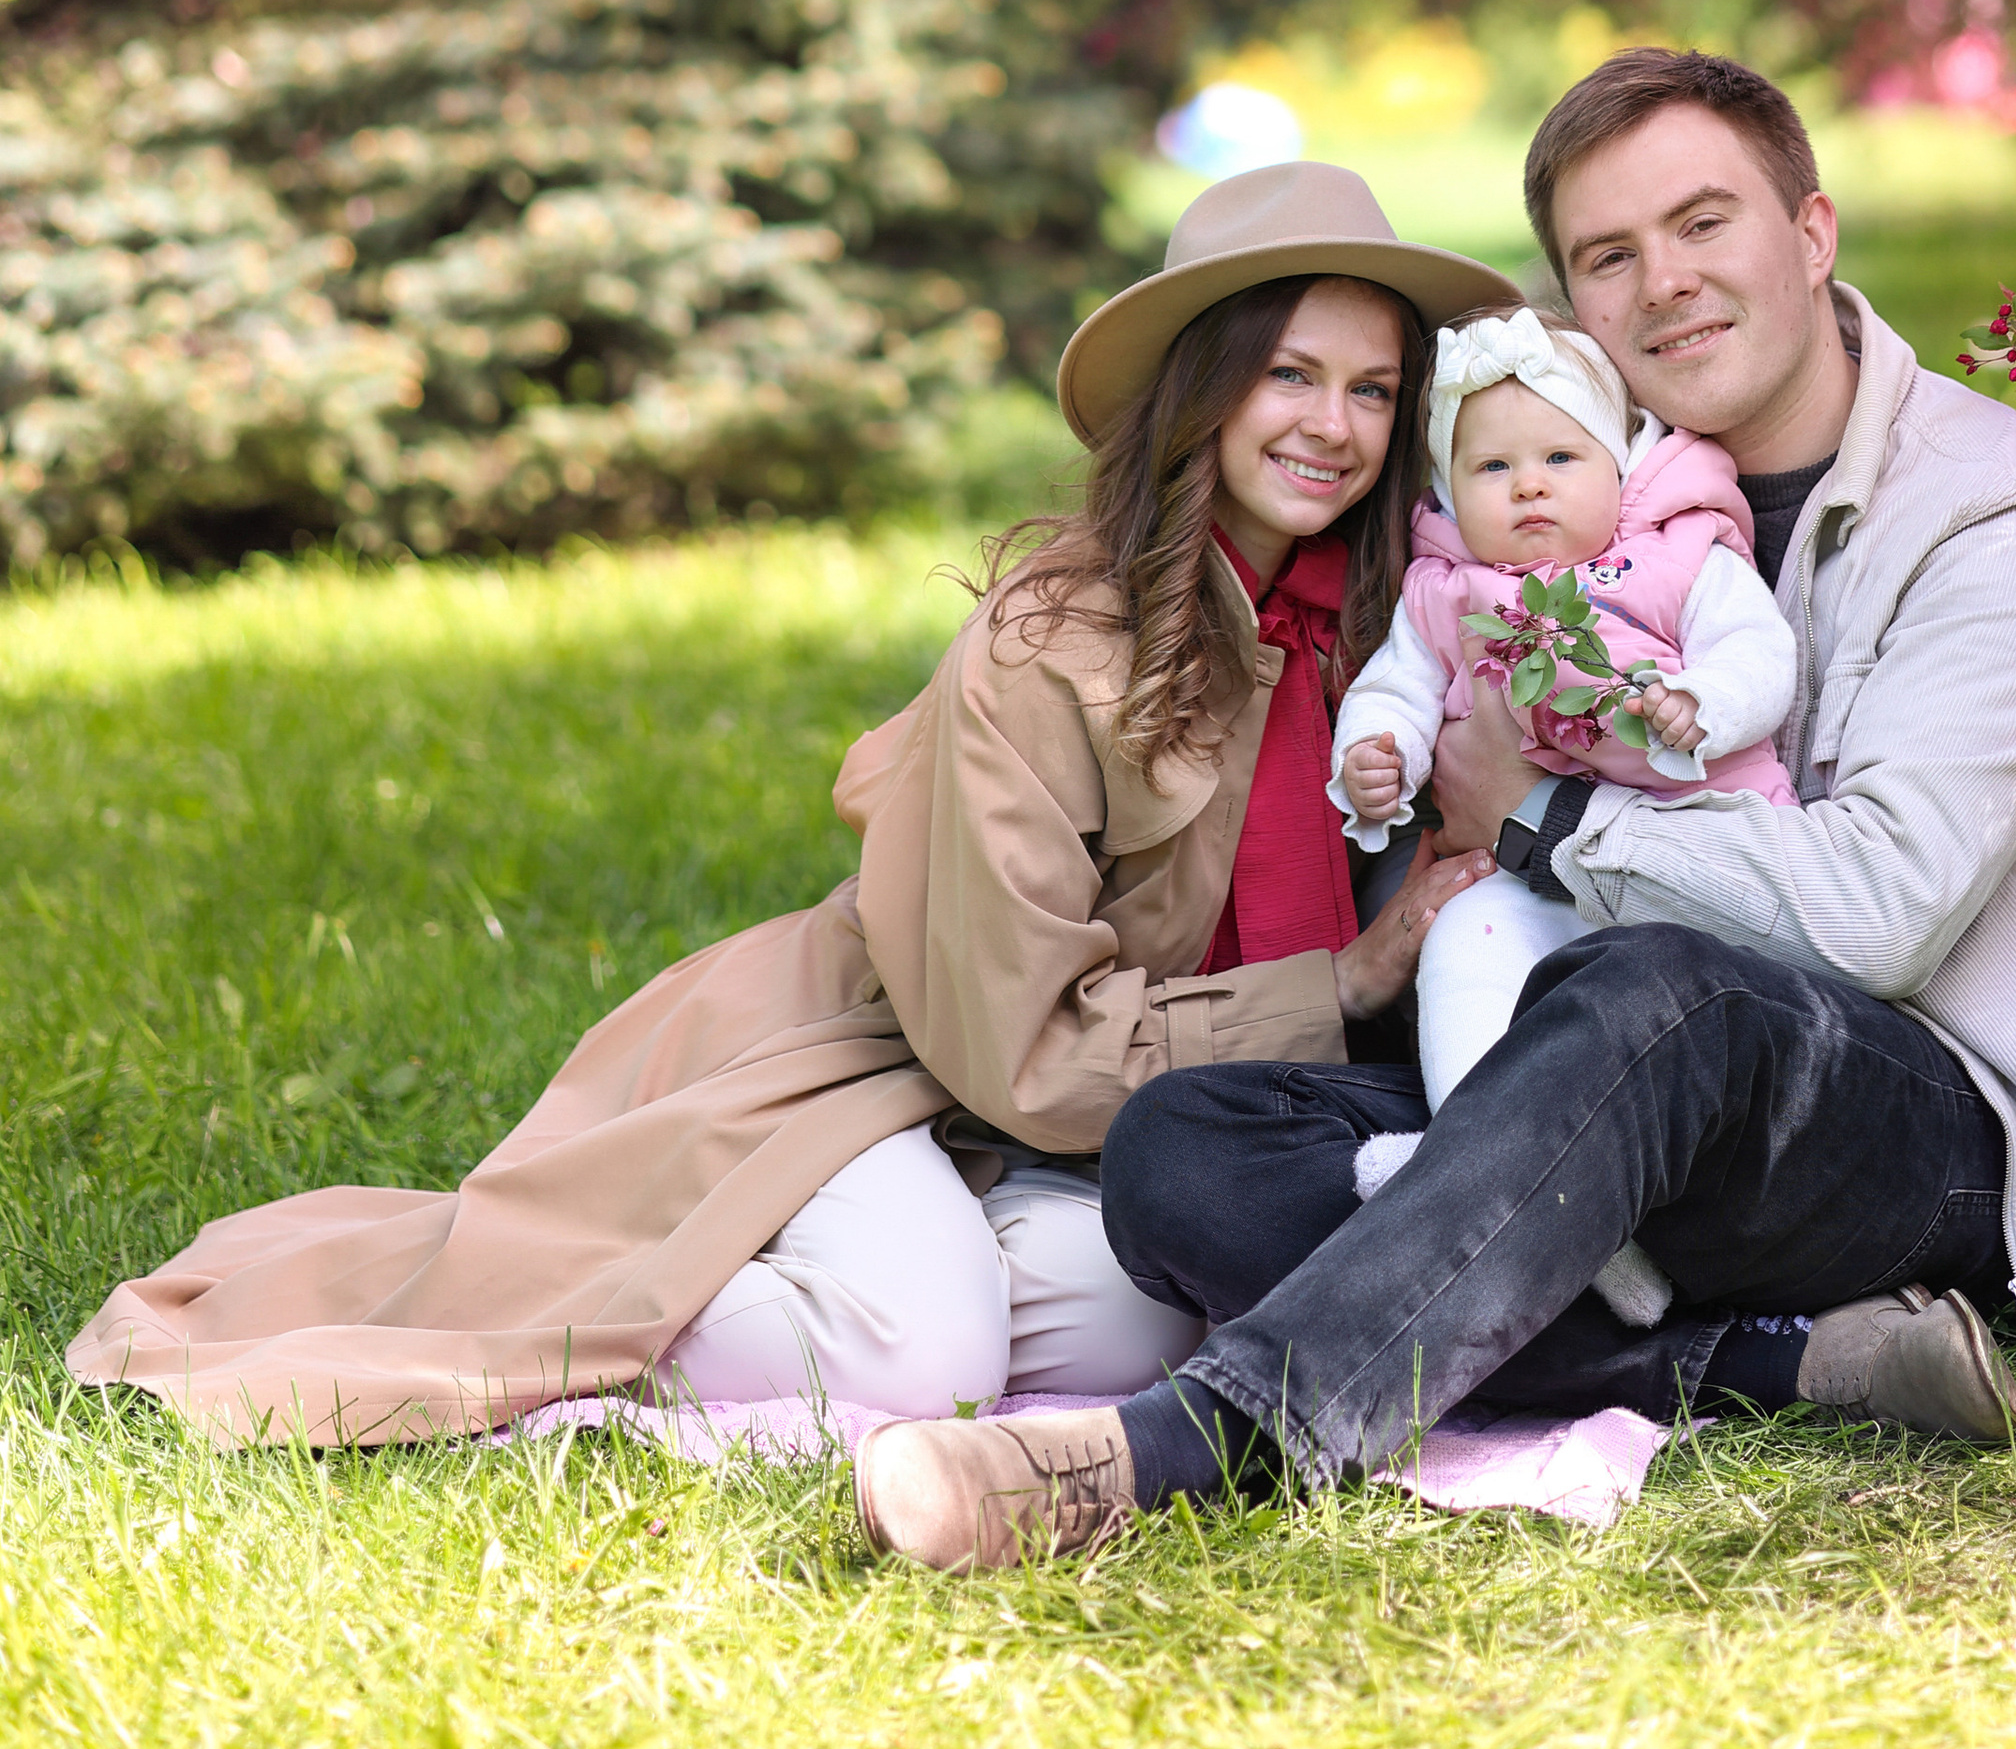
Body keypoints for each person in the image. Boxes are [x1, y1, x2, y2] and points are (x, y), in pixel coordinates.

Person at [850, 46, 2016, 1574]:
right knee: (1191, 1143)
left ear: (1815, 233)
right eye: (1609, 256)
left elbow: (1882, 918)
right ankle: (1769, 1366)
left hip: (1915, 1117)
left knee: (1658, 989)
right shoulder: (1534, 508)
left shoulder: (1998, 524)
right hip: (1600, 1083)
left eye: (1706, 225)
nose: (1667, 285)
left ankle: (1196, 1444)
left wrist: (1544, 817)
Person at [65, 163, 1513, 1443]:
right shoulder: (1047, 647)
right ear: (1203, 390)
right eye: (1288, 376)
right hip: (881, 1065)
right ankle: (640, 1293)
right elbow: (1022, 1050)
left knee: (1145, 1328)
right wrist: (1340, 985)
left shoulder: (1379, 632)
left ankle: (858, 1276)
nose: (1335, 423)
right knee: (929, 1361)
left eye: (1373, 388)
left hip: (1066, 1134)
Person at [1326, 304, 1795, 1330]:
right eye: (1492, 470)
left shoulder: (1677, 558)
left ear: (1623, 461)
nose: (1528, 483)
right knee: (1463, 954)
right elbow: (1393, 688)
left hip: (1688, 861)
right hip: (1520, 880)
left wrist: (1701, 706)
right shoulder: (1447, 591)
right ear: (1452, 494)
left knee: (1651, 1017)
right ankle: (1498, 1177)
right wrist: (1379, 753)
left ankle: (1513, 1197)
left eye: (1557, 455)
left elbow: (1762, 656)